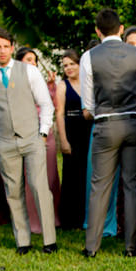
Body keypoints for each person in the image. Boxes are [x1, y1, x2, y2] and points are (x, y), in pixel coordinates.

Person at [81, 9, 136, 258]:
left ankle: (92, 247)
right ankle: (132, 246)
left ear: (97, 30)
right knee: (132, 185)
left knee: (99, 186)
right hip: (134, 122)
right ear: (121, 29)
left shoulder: (88, 57)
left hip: (105, 123)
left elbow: (88, 103)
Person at [0, 28, 57, 255]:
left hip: (32, 138)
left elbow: (46, 104)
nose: (2, 51)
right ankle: (22, 241)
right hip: (5, 142)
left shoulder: (29, 72)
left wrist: (42, 133)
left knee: (39, 186)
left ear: (12, 48)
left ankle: (49, 240)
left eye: (6, 46)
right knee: (13, 191)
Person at [18, 46, 62, 232]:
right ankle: (34, 220)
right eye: (29, 59)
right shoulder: (16, 83)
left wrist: (51, 86)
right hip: (28, 131)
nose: (33, 63)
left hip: (47, 134)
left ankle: (54, 217)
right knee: (31, 178)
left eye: (34, 60)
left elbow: (52, 105)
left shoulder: (42, 82)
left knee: (51, 176)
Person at [55, 49, 91, 230]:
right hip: (71, 131)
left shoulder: (87, 83)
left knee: (87, 173)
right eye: (65, 65)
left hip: (87, 131)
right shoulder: (63, 85)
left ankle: (86, 216)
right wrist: (63, 140)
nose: (68, 68)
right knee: (71, 176)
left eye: (72, 64)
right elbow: (59, 113)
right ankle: (70, 219)